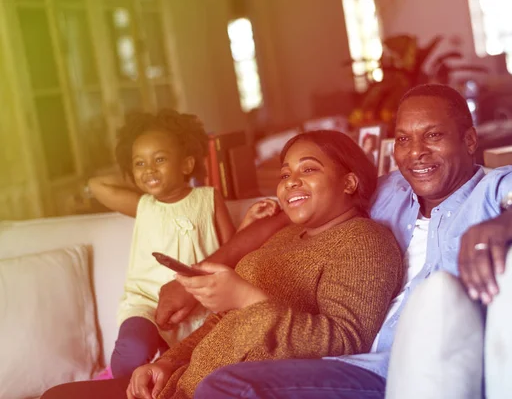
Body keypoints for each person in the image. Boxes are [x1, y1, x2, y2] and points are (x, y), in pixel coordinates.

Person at [184, 84, 512, 398]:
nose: (415, 153)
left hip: (407, 373)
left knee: (229, 387)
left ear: (469, 141)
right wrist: (195, 278)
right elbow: (287, 214)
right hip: (348, 361)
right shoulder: (389, 190)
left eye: (433, 135)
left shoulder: (494, 191)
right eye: (403, 139)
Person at [42, 130, 404, 399]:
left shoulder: (364, 241)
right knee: (56, 396)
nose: (291, 181)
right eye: (284, 174)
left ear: (350, 181)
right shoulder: (282, 237)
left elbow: (345, 342)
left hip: (233, 389)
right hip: (180, 384)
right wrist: (166, 364)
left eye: (308, 170)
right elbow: (219, 322)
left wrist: (249, 300)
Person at [87, 109, 236, 379]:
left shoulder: (208, 199)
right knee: (129, 357)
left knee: (200, 371)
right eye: (139, 163)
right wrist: (139, 175)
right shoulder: (143, 205)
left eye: (160, 159)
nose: (149, 169)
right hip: (147, 304)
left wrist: (250, 220)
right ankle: (114, 373)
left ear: (187, 165)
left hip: (201, 307)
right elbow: (97, 185)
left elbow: (232, 249)